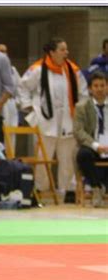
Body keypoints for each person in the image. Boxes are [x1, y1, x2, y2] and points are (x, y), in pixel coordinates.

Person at [19, 37, 88, 203]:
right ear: (52, 52)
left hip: (68, 122)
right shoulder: (37, 69)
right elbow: (22, 88)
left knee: (68, 159)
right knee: (43, 158)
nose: (66, 52)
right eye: (62, 49)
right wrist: (30, 112)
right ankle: (42, 192)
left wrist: (79, 116)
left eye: (66, 49)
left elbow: (84, 94)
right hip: (44, 121)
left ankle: (68, 191)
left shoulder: (73, 70)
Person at [73, 71, 108, 208]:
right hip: (92, 144)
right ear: (90, 88)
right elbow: (78, 131)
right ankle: (96, 186)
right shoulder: (81, 107)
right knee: (83, 155)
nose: (99, 89)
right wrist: (95, 145)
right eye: (96, 86)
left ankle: (103, 185)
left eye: (102, 85)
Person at [0, 43, 22, 149]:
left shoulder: (13, 70)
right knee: (1, 133)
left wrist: (18, 102)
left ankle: (11, 162)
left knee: (12, 134)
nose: (4, 54)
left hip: (11, 104)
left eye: (5, 51)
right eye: (1, 51)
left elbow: (20, 88)